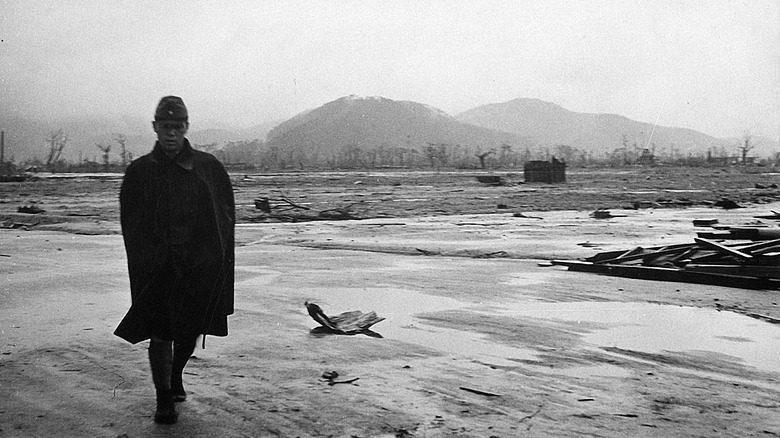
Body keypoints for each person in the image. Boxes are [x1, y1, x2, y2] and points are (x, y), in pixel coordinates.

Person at [114, 96, 235, 424]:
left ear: (186, 128)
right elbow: (131, 225)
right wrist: (146, 262)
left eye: (177, 127)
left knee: (190, 331)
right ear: (155, 127)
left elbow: (225, 217)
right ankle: (163, 397)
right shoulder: (139, 172)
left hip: (198, 268)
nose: (171, 133)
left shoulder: (208, 167)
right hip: (159, 270)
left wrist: (215, 261)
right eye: (165, 127)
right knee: (161, 332)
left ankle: (176, 373)